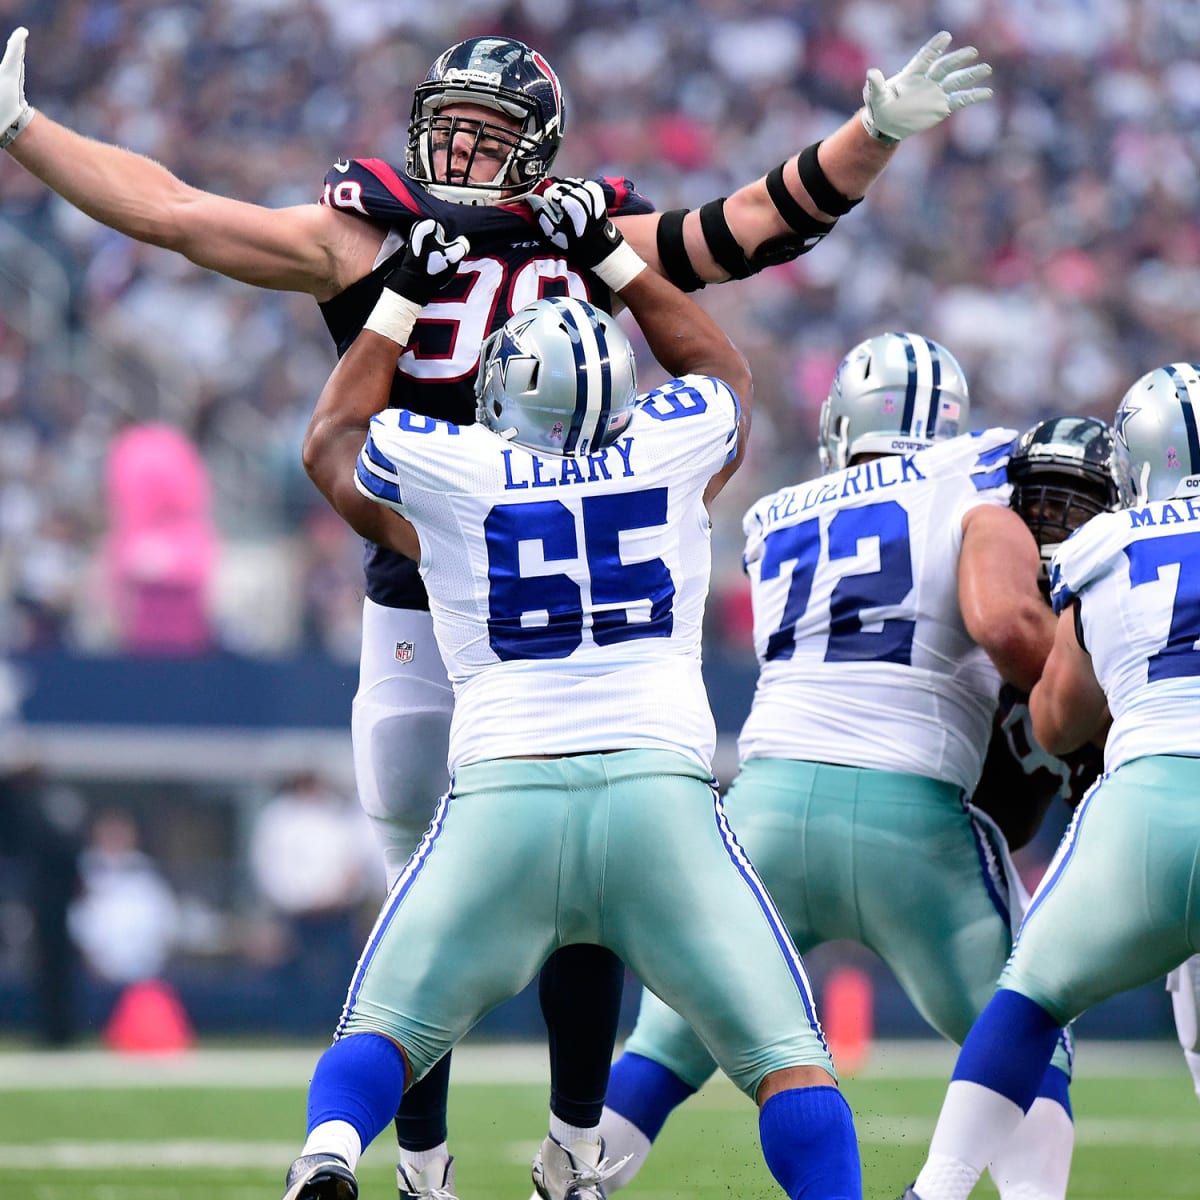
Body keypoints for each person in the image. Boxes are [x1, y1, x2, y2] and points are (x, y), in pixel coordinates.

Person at [0, 24, 992, 1198]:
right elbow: (176, 212)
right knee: (422, 873)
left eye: (493, 128)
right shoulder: (377, 233)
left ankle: (567, 1136)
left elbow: (749, 224)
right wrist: (27, 130)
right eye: (452, 122)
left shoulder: (571, 230)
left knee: (559, 904)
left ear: (542, 149)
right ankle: (427, 1157)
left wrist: (866, 138)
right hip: (426, 583)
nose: (466, 146)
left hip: (489, 572)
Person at [285, 188, 864, 1200]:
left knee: (383, 1027)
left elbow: (332, 440)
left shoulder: (457, 465)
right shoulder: (675, 444)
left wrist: (398, 301)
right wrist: (611, 255)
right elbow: (722, 371)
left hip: (506, 790)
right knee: (790, 1063)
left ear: (502, 396)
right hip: (661, 796)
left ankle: (330, 1152)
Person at [596, 332, 1079, 1200]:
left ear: (841, 420)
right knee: (1031, 1028)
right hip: (911, 813)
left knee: (664, 1045)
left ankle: (566, 1189)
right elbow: (1008, 624)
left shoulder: (774, 514)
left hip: (765, 813)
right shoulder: (971, 473)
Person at [896, 361, 1198, 1200]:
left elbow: (1059, 720)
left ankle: (940, 1188)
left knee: (1031, 994)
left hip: (1151, 793)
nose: (1057, 521)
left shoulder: (1108, 547)